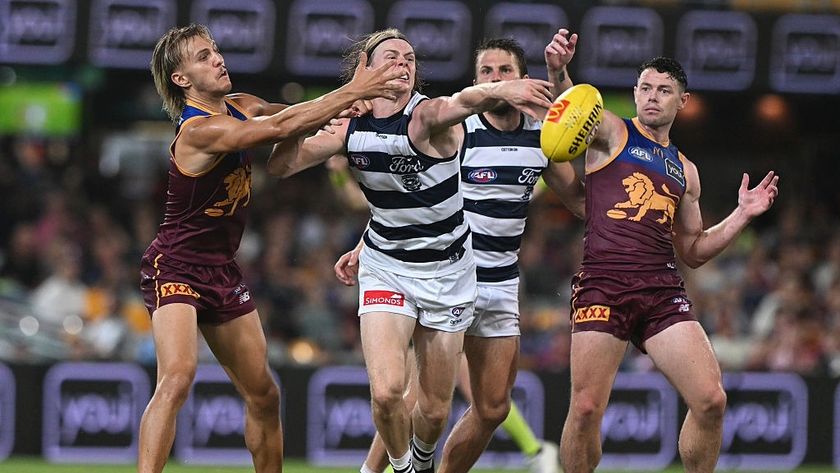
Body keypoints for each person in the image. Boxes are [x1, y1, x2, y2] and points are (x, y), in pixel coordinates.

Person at [268, 28, 554, 473]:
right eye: (391, 57)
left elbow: (463, 102)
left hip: (449, 271)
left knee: (435, 410)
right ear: (365, 69)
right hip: (387, 267)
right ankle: (404, 469)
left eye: (410, 58)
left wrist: (502, 88)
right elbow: (282, 164)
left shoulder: (426, 117)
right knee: (386, 393)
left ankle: (418, 463)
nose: (403, 64)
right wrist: (336, 101)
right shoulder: (349, 122)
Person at [139, 23, 402, 473]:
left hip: (222, 270)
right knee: (178, 376)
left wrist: (345, 108)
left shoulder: (241, 105)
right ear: (181, 80)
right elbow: (281, 125)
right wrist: (352, 89)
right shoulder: (198, 132)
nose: (219, 58)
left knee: (264, 394)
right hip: (175, 267)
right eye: (204, 56)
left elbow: (296, 114)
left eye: (216, 50)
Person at [556, 37, 780, 473]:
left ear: (682, 100)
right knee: (584, 410)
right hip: (604, 284)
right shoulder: (613, 131)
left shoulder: (685, 170)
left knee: (711, 400)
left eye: (662, 90)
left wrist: (742, 214)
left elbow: (693, 250)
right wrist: (559, 72)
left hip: (661, 291)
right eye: (644, 88)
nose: (650, 97)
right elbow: (573, 114)